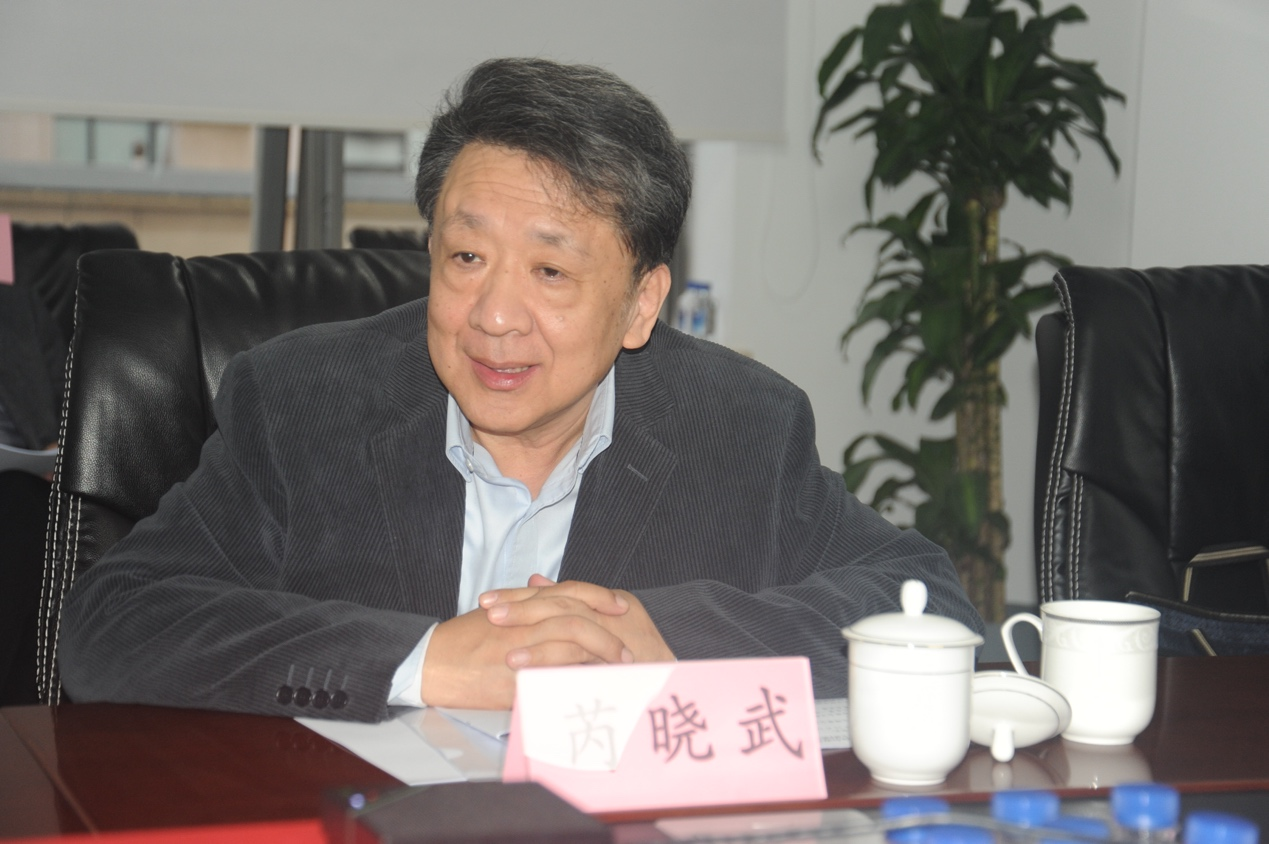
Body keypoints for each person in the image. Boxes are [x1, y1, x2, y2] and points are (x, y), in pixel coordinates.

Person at [59, 58, 983, 722]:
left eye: (550, 272)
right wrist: (424, 660)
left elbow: (930, 603)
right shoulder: (302, 402)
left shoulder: (740, 426)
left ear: (641, 303)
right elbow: (111, 622)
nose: (493, 317)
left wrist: (662, 639)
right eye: (466, 258)